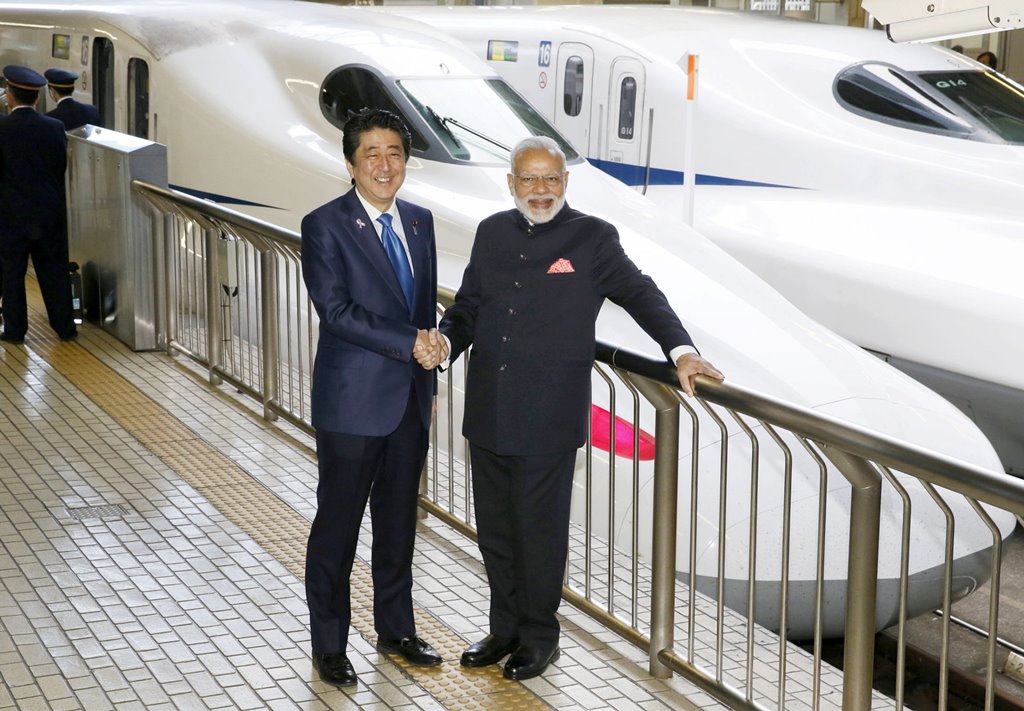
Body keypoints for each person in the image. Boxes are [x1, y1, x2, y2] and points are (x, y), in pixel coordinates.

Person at [430, 135, 724, 681]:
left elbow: (640, 292)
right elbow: (469, 306)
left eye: (551, 179)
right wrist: (447, 341)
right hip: (489, 409)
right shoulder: (491, 231)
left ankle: (540, 637)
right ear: (511, 182)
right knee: (495, 529)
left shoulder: (591, 238)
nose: (540, 190)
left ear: (565, 182)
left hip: (548, 416)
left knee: (538, 532)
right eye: (529, 179)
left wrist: (681, 351)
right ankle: (504, 628)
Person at [301, 108, 444, 687]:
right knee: (337, 524)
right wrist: (413, 342)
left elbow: (420, 305)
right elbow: (336, 312)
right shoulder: (325, 224)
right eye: (372, 155)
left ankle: (396, 628)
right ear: (350, 163)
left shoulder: (419, 220)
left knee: (397, 521)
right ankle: (330, 642)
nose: (385, 166)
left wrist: (432, 351)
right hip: (353, 403)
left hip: (409, 398)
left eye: (394, 154)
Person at [0, 65, 77, 344]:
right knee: (53, 271)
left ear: (10, 95)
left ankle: (14, 331)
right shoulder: (54, 127)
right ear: (36, 98)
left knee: (12, 273)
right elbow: (60, 168)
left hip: (9, 215)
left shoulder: (2, 127)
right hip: (49, 213)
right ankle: (65, 328)